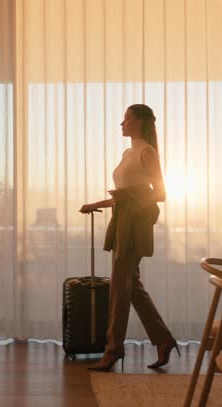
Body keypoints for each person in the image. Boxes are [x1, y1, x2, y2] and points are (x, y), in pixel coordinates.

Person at [80, 103, 178, 372]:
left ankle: (113, 350)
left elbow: (160, 194)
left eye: (126, 118)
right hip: (123, 219)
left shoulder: (147, 152)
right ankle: (164, 340)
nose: (122, 124)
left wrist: (127, 197)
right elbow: (122, 194)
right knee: (130, 284)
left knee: (119, 288)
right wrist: (95, 203)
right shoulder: (127, 153)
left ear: (140, 122)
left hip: (135, 223)